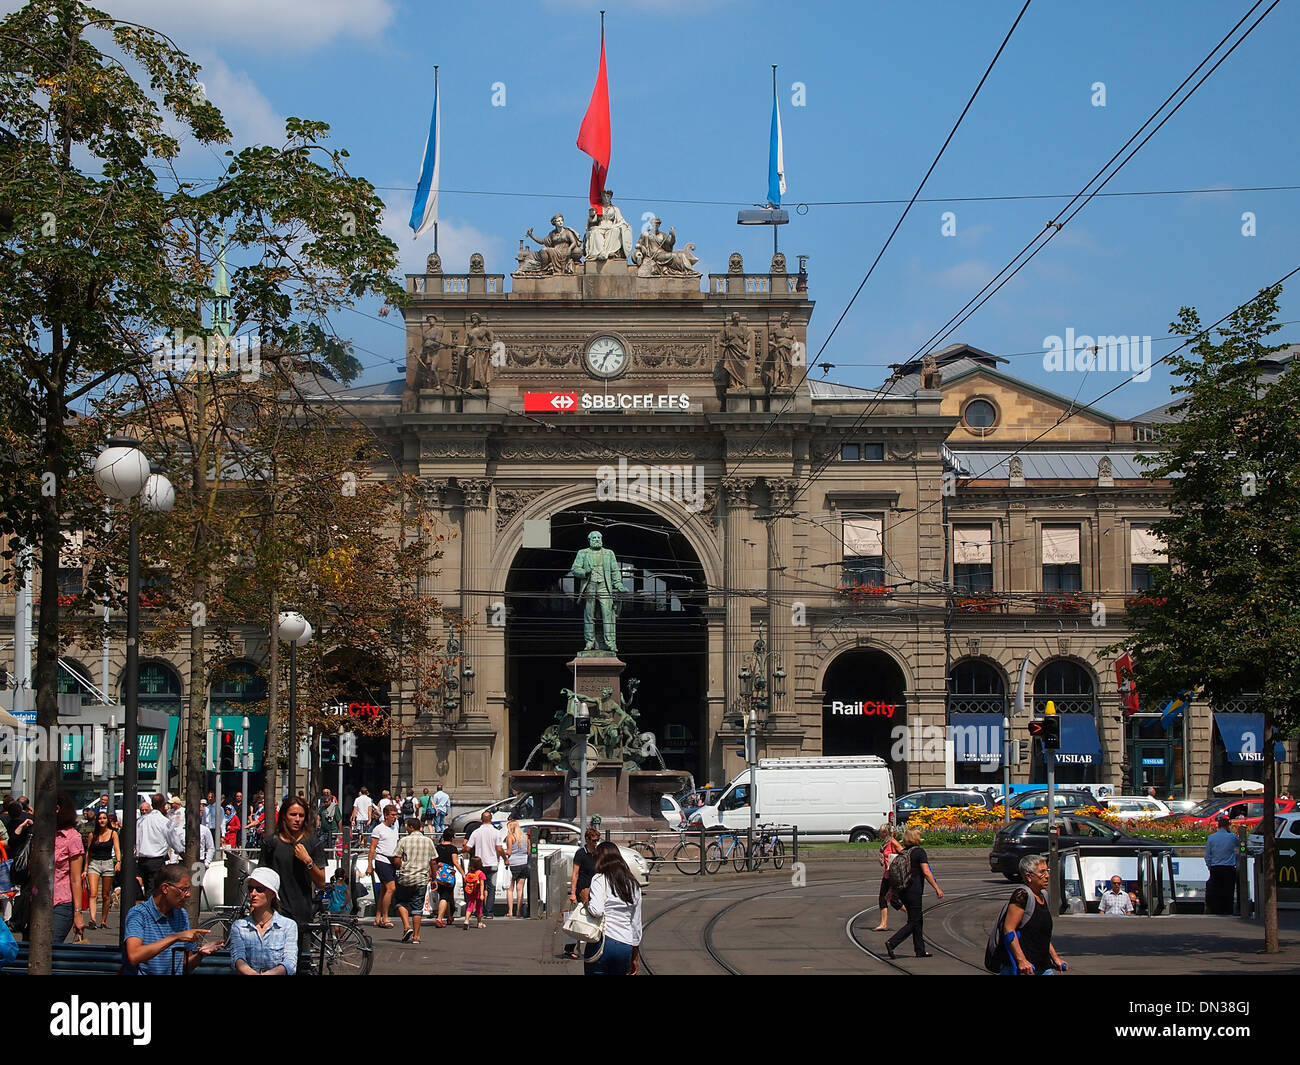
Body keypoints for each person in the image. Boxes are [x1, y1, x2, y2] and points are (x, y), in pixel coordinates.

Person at [124, 864, 222, 975]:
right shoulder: (139, 914)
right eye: (183, 890)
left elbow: (185, 966)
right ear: (165, 888)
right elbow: (134, 955)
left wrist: (200, 954)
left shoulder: (181, 914)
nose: (188, 894)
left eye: (188, 889)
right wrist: (176, 937)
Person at [258, 795, 326, 940]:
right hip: (274, 911)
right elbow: (261, 879)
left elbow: (321, 882)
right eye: (293, 815)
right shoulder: (271, 843)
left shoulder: (313, 842)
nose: (297, 819)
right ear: (284, 816)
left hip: (301, 911)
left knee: (298, 958)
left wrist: (307, 860)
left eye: (301, 816)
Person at [999, 856, 1068, 975]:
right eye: (1042, 872)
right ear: (1028, 876)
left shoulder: (1044, 895)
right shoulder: (1022, 896)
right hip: (1022, 969)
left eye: (1047, 871)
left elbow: (1042, 936)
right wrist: (1022, 961)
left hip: (1042, 966)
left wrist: (1055, 958)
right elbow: (1009, 929)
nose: (1047, 875)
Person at [884, 826, 943, 959]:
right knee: (914, 921)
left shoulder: (904, 852)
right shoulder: (919, 852)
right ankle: (892, 942)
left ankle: (920, 950)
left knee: (917, 919)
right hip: (914, 891)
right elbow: (926, 872)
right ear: (916, 838)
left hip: (903, 891)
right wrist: (937, 888)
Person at [584, 841, 643, 976]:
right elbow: (636, 923)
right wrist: (634, 955)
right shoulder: (633, 884)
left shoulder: (599, 879)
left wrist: (585, 900)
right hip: (625, 944)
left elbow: (597, 910)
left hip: (603, 943)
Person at [228, 867, 298, 975]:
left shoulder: (288, 926)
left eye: (259, 889)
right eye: (250, 889)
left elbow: (290, 962)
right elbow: (238, 959)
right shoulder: (239, 927)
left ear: (272, 894)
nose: (253, 893)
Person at [392, 817, 435, 944]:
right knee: (417, 907)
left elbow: (396, 860)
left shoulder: (404, 840)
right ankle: (416, 936)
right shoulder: (428, 841)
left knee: (400, 902)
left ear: (410, 827)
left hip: (405, 877)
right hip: (421, 878)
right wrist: (434, 877)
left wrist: (400, 865)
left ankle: (406, 926)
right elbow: (433, 861)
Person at [51, 793, 87, 944]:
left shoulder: (72, 837)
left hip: (62, 903)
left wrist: (78, 913)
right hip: (37, 901)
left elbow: (75, 879)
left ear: (58, 809)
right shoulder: (41, 834)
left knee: (49, 945)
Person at [564, 826, 601, 959]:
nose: (595, 843)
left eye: (597, 840)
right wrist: (573, 893)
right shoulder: (581, 853)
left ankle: (594, 944)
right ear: (587, 839)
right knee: (577, 917)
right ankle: (569, 948)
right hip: (582, 889)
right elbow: (575, 874)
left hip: (595, 889)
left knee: (595, 916)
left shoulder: (598, 853)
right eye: (593, 840)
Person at [464, 810, 507, 920]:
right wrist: (505, 858)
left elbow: (468, 848)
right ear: (491, 820)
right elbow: (499, 848)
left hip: (479, 864)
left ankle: (480, 911)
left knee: (479, 888)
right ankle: (489, 912)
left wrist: (460, 851)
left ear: (481, 820)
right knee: (491, 888)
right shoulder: (496, 832)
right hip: (492, 863)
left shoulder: (476, 832)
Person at [85, 809, 121, 929]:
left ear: (107, 821)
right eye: (100, 818)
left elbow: (117, 849)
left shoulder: (113, 833)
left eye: (104, 818)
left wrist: (118, 862)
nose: (102, 820)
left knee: (106, 894)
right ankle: (93, 919)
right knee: (93, 893)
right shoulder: (92, 835)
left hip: (108, 863)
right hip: (94, 864)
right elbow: (88, 853)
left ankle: (103, 920)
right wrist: (85, 869)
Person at [367, 803, 401, 928]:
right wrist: (370, 864)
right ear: (386, 816)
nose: (394, 817)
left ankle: (378, 917)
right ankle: (385, 917)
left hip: (392, 861)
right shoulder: (378, 829)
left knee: (383, 890)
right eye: (392, 815)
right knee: (391, 888)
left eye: (396, 815)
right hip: (382, 860)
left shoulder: (394, 828)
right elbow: (372, 848)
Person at [136, 795, 172, 896]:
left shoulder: (140, 821)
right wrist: (182, 853)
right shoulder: (164, 821)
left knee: (147, 889)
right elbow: (173, 840)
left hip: (142, 861)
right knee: (155, 891)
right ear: (163, 805)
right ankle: (151, 910)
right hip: (156, 860)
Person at [1204, 815, 1239, 915]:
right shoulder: (1232, 837)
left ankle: (1216, 911)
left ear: (1218, 826)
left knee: (1217, 892)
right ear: (1228, 826)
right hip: (1229, 868)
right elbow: (1241, 846)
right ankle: (1228, 911)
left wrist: (1210, 867)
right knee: (1228, 891)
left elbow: (1207, 855)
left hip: (1215, 868)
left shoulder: (1211, 838)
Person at [873, 823, 902, 932]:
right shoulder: (885, 843)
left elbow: (903, 853)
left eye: (881, 831)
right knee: (883, 898)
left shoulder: (892, 842)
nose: (879, 833)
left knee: (893, 900)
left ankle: (913, 915)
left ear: (885, 832)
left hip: (893, 875)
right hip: (887, 874)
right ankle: (883, 923)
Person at [432, 828, 464, 927]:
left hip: (439, 873)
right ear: (452, 837)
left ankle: (449, 916)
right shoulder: (452, 849)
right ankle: (439, 918)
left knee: (444, 895)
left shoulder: (437, 847)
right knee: (445, 896)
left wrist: (432, 875)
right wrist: (463, 873)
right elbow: (455, 862)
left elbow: (433, 862)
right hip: (449, 875)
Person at [504, 819, 530, 918]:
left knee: (510, 889)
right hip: (523, 863)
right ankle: (518, 911)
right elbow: (528, 851)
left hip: (513, 864)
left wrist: (502, 853)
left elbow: (509, 852)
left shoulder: (510, 837)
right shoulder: (525, 837)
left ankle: (510, 911)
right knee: (520, 889)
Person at [463, 856, 487, 929]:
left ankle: (466, 920)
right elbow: (482, 885)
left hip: (470, 892)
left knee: (469, 906)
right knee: (479, 907)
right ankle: (479, 922)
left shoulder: (469, 873)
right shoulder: (480, 874)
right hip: (478, 892)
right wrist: (482, 894)